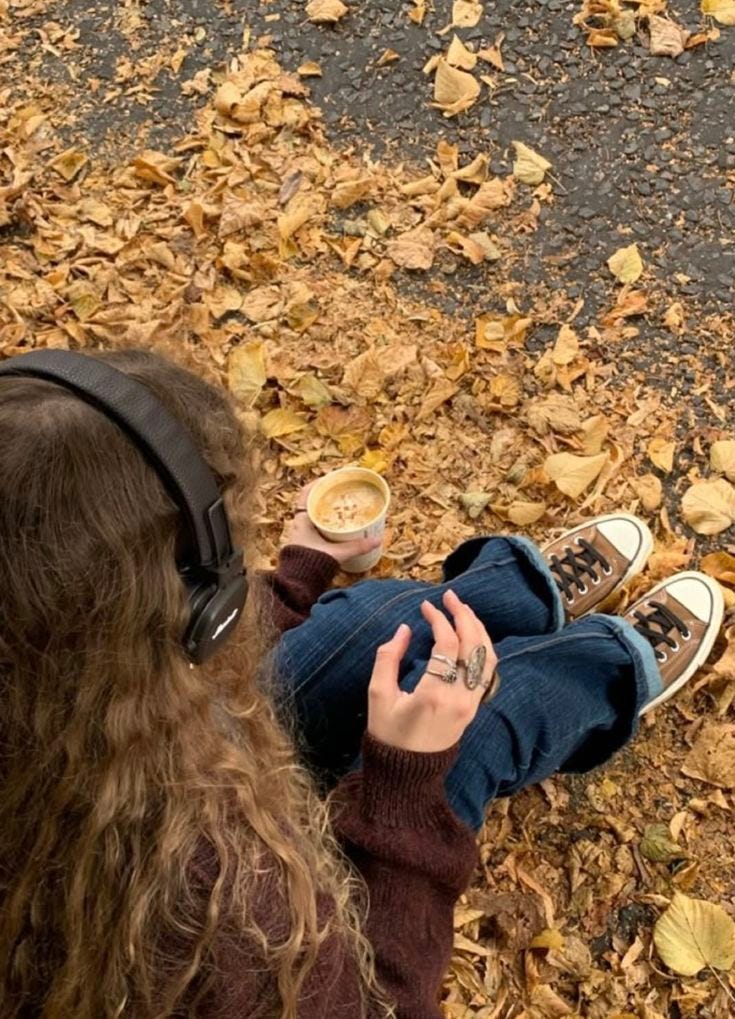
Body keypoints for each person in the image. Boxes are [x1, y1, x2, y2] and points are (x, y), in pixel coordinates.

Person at [0, 347, 722, 1019]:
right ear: (195, 613)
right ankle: (605, 671)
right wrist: (406, 777)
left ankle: (520, 595)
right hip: (232, 851)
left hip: (183, 732)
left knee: (379, 618)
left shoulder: (44, 679)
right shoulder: (218, 918)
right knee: (474, 733)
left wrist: (294, 577)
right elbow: (385, 999)